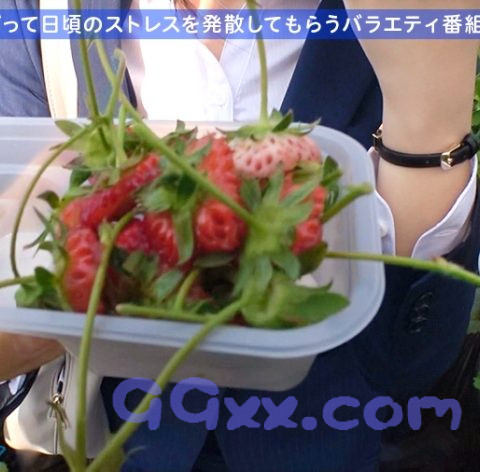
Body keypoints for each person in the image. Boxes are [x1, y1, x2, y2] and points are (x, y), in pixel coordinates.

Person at [0, 0, 479, 471]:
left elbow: (408, 363)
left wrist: (427, 121)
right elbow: (20, 233)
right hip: (119, 431)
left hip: (321, 437)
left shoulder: (408, 14)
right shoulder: (44, 13)